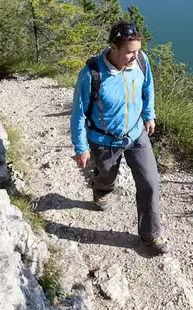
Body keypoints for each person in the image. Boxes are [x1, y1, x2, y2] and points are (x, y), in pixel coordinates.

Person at [70, 21, 168, 256]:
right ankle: (101, 190)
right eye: (129, 52)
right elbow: (79, 112)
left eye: (137, 50)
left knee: (149, 183)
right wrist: (81, 147)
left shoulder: (141, 62)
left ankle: (149, 236)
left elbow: (148, 88)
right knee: (106, 175)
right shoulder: (92, 74)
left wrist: (149, 114)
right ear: (113, 47)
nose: (135, 56)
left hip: (136, 134)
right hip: (104, 140)